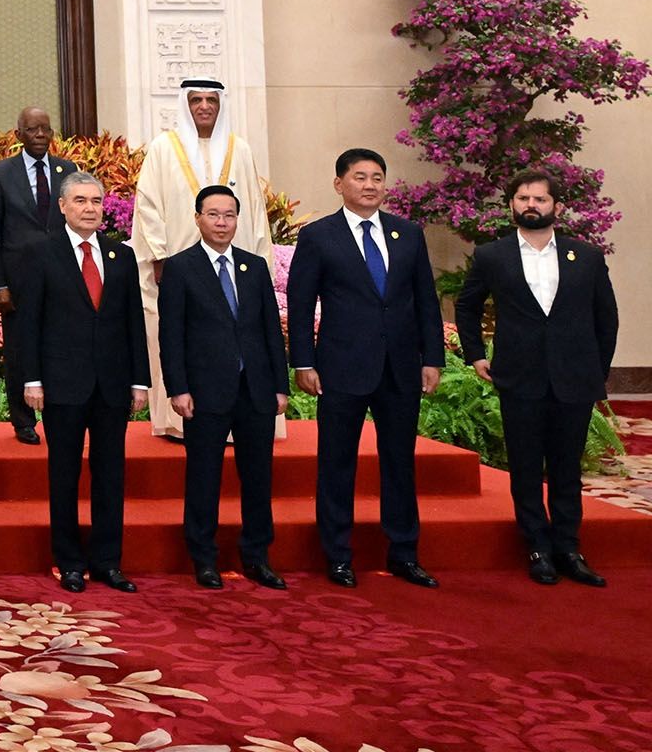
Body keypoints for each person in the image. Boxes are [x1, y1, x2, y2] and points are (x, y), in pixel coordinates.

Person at [287, 148, 444, 588]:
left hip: (400, 367)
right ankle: (338, 554)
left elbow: (426, 301)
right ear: (339, 184)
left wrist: (432, 358)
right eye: (360, 177)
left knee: (400, 462)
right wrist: (303, 361)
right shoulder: (318, 236)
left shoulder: (408, 234)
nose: (370, 185)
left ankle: (404, 553)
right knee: (337, 463)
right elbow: (301, 304)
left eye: (377, 177)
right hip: (341, 367)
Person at [459, 169, 622, 587]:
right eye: (523, 198)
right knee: (526, 466)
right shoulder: (491, 256)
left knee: (567, 468)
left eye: (540, 199)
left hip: (574, 379)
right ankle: (537, 547)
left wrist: (596, 369)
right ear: (511, 205)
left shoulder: (586, 256)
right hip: (519, 378)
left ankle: (568, 547)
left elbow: (606, 317)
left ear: (557, 207)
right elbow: (467, 307)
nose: (531, 205)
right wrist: (475, 355)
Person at [17, 171, 149, 593]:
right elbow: (29, 323)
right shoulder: (41, 253)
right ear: (62, 206)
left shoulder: (120, 256)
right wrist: (32, 379)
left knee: (111, 475)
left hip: (112, 384)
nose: (90, 209)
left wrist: (140, 381)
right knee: (64, 475)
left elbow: (133, 322)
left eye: (95, 201)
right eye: (80, 201)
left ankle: (108, 562)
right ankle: (70, 562)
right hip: (62, 383)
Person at [158, 184, 288, 590]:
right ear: (198, 218)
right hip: (204, 391)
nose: (222, 222)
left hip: (256, 389)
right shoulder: (180, 267)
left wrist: (280, 385)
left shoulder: (253, 266)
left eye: (229, 215)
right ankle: (204, 558)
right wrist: (178, 388)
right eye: (213, 214)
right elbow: (171, 335)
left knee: (258, 478)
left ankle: (257, 556)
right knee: (204, 477)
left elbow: (271, 330)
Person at [130, 79, 270, 440]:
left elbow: (255, 209)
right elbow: (147, 204)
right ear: (186, 105)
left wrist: (259, 261)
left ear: (220, 105)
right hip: (179, 265)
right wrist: (159, 254)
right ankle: (179, 419)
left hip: (234, 264)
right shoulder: (163, 148)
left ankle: (244, 414)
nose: (204, 106)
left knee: (238, 330)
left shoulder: (240, 149)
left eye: (211, 100)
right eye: (196, 100)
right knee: (179, 334)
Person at [0, 107, 75, 445]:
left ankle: (61, 413)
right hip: (17, 282)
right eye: (32, 129)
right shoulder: (0, 173)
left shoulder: (67, 170)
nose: (40, 135)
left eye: (45, 129)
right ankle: (22, 421)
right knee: (20, 349)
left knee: (61, 346)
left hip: (61, 277)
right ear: (18, 134)